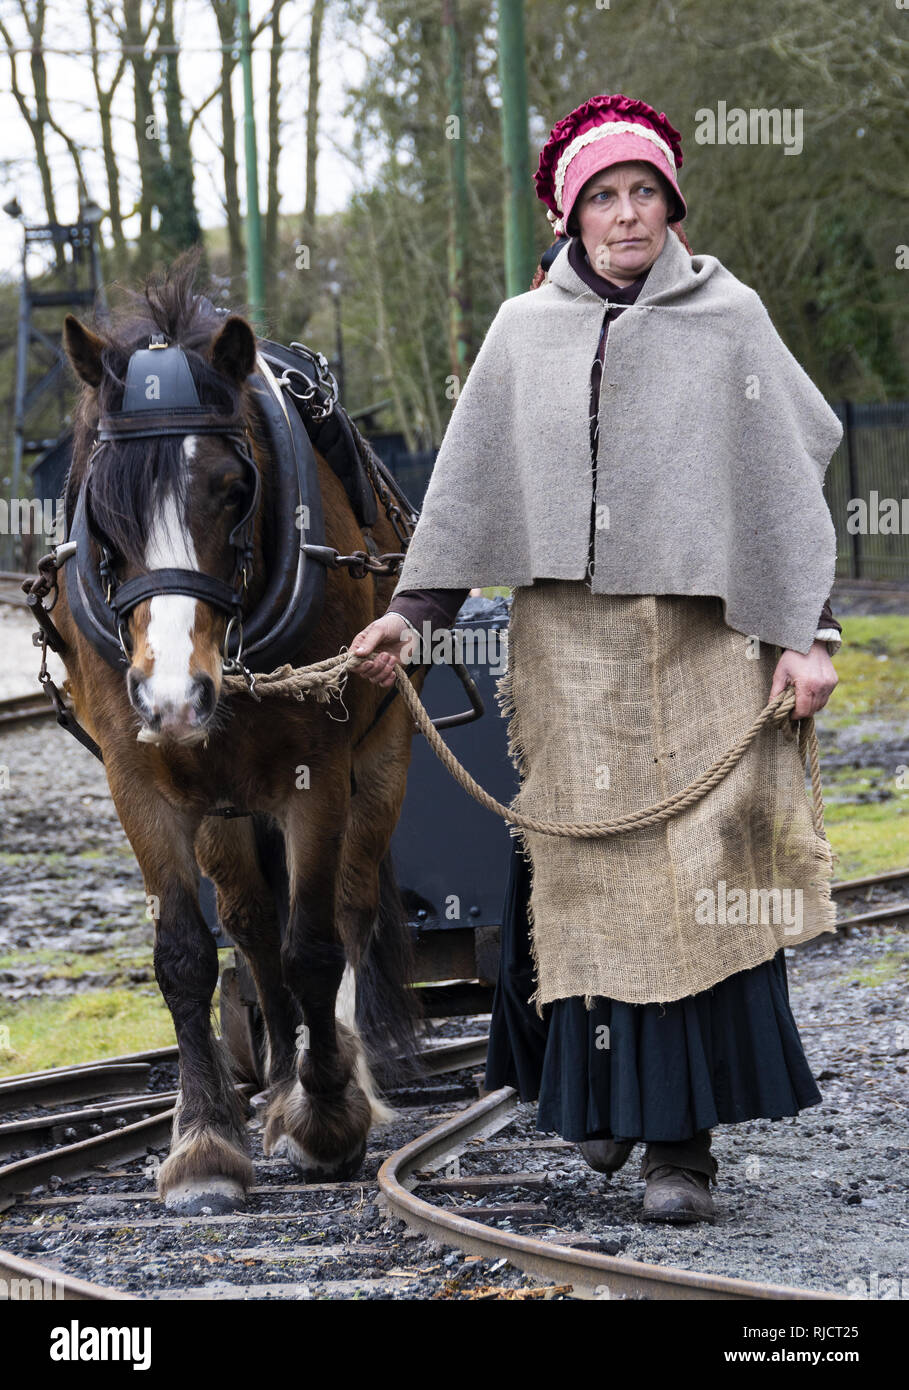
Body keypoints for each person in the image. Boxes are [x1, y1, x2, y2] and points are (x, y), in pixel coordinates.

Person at [350, 93, 843, 1224]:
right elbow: (469, 488)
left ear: (674, 204)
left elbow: (785, 486)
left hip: (709, 649)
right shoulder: (524, 332)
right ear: (571, 215)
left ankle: (683, 1147)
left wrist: (808, 636)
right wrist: (411, 614)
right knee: (585, 879)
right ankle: (600, 1103)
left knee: (703, 885)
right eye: (604, 196)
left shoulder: (731, 318)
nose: (627, 215)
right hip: (570, 656)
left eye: (646, 194)